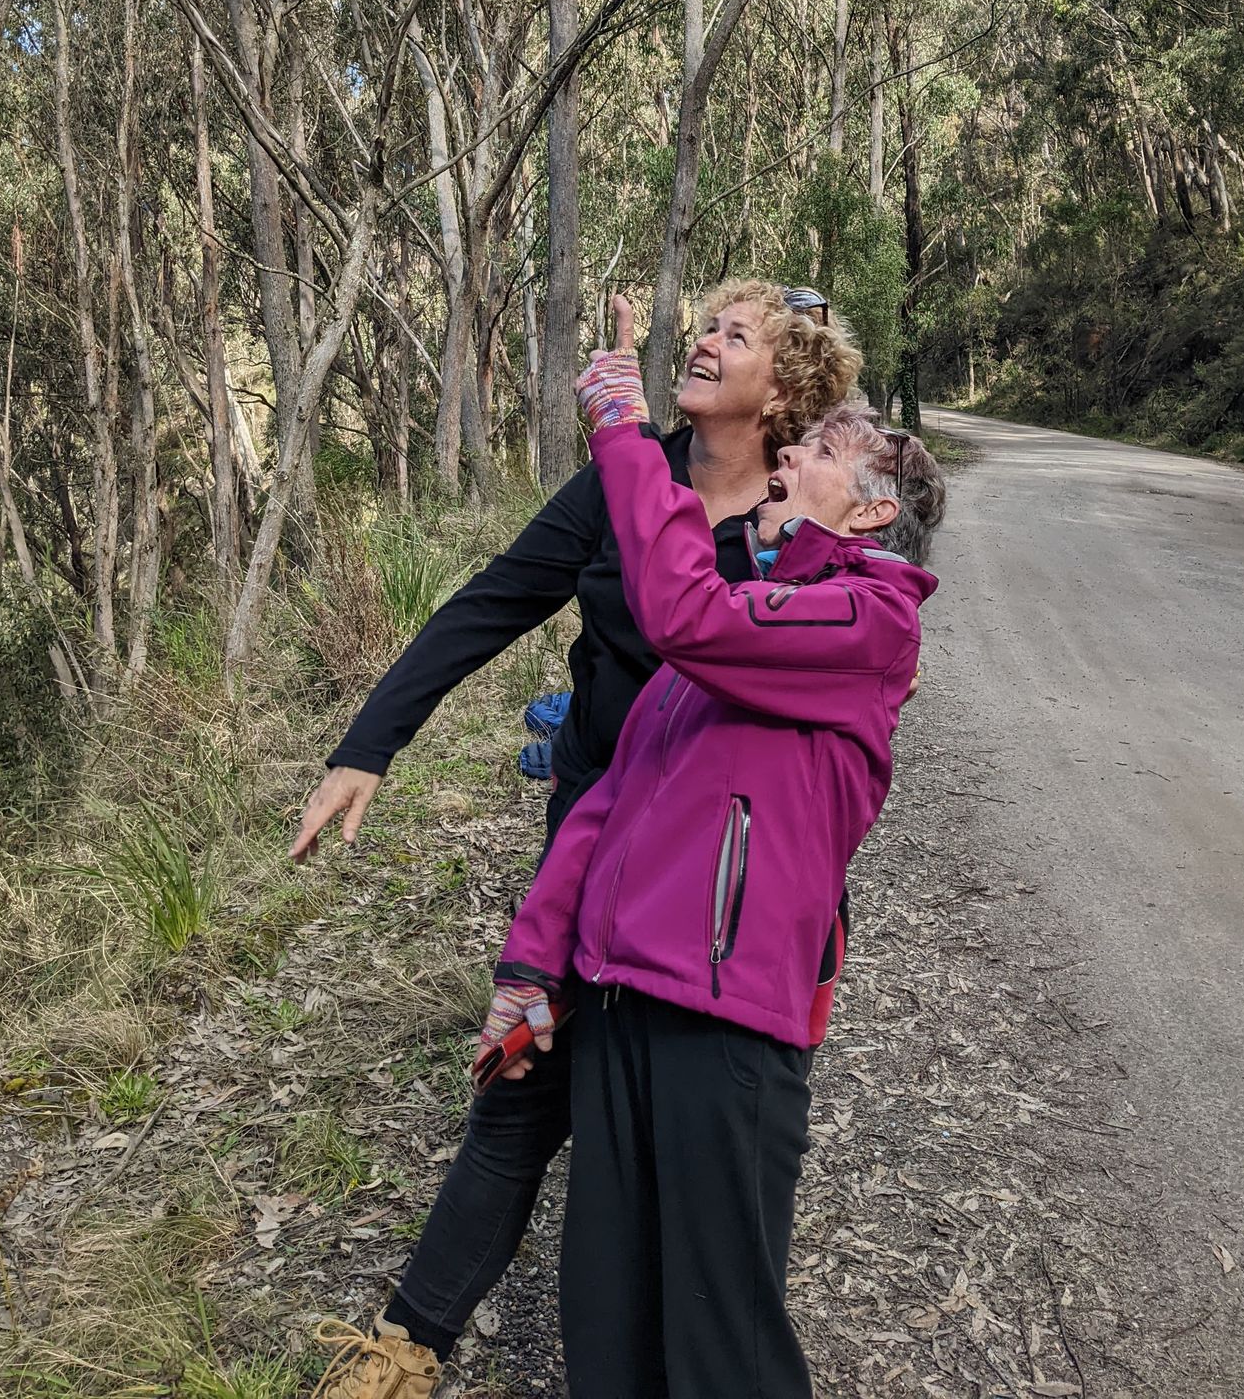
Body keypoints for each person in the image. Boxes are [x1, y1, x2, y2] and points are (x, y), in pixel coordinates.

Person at [302, 283, 860, 1397]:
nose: (698, 340)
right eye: (700, 324)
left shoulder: (806, 527)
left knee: (699, 1145)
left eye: (730, 333)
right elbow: (493, 597)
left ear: (783, 390)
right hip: (592, 848)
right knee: (523, 1081)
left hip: (715, 896)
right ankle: (405, 1348)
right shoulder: (624, 481)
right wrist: (368, 743)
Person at [475, 303, 947, 1398]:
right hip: (624, 999)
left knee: (719, 1349)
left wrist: (627, 438)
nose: (790, 453)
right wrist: (528, 967)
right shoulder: (753, 608)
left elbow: (679, 610)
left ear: (872, 510)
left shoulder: (870, 622)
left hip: (727, 1027)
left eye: (822, 450)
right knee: (609, 1327)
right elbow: (606, 800)